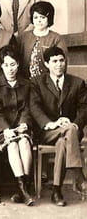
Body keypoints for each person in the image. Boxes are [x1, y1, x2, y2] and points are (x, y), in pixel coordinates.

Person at [30, 46, 87, 206]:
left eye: (62, 60)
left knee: (63, 142)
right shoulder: (37, 82)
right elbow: (34, 107)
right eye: (54, 61)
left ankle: (56, 191)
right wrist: (52, 123)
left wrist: (75, 124)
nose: (59, 64)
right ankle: (78, 175)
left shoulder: (77, 83)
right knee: (67, 132)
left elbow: (85, 108)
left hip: (71, 130)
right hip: (48, 131)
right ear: (46, 64)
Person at [0, 45, 35, 206]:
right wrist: (5, 129)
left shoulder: (27, 84)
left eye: (13, 64)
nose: (10, 69)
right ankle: (23, 190)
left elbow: (28, 107)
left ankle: (23, 188)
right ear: (1, 65)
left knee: (24, 142)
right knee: (12, 145)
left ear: (18, 64)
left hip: (22, 126)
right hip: (2, 129)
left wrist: (24, 123)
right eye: (6, 65)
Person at [19, 1, 67, 79]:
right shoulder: (23, 37)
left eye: (42, 17)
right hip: (25, 81)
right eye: (36, 17)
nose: (39, 20)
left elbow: (62, 65)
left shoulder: (56, 38)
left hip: (48, 82)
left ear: (49, 18)